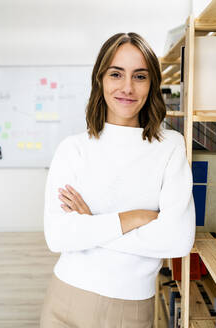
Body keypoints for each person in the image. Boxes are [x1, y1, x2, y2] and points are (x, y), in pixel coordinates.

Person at [40, 32, 195, 328]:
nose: (127, 87)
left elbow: (177, 240)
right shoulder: (73, 149)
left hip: (130, 308)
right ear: (100, 79)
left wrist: (91, 223)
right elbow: (58, 237)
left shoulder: (170, 145)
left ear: (152, 85)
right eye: (116, 74)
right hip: (65, 298)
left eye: (139, 76)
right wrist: (132, 217)